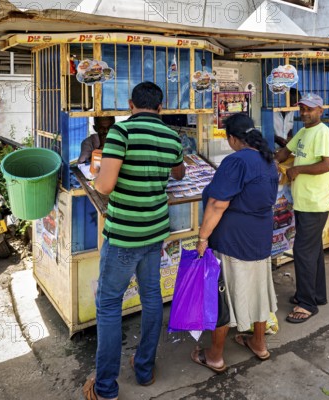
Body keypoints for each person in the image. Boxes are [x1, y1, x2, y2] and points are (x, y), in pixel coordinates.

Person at [83, 82, 185, 400]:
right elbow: (179, 173)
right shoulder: (172, 137)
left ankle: (106, 387)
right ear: (161, 106)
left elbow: (104, 186)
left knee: (110, 305)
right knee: (152, 298)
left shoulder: (122, 133)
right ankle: (143, 369)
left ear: (130, 104)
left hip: (124, 235)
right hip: (155, 232)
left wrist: (99, 174)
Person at [191, 113, 279, 373]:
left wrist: (202, 237)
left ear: (231, 138)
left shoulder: (236, 161)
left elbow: (218, 203)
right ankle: (259, 343)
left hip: (233, 239)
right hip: (260, 237)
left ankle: (215, 355)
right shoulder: (267, 159)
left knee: (223, 296)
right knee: (259, 289)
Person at [275, 93, 329, 323]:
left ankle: (307, 304)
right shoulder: (303, 132)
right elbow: (285, 152)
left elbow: (326, 164)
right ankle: (315, 295)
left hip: (315, 202)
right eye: (301, 109)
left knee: (303, 252)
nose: (304, 113)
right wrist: (273, 159)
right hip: (303, 201)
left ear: (320, 110)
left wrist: (298, 170)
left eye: (309, 109)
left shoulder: (323, 133)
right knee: (313, 251)